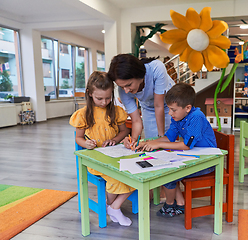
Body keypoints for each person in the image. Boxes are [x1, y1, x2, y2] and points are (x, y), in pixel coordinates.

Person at [135, 83, 217, 217]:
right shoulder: (179, 117)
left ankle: (170, 205)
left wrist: (158, 145)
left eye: (173, 109)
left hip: (207, 162)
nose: (169, 113)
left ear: (187, 108)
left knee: (168, 175)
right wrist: (149, 142)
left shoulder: (196, 117)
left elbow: (186, 145)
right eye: (169, 109)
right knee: (166, 168)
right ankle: (179, 204)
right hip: (193, 157)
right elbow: (169, 137)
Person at [69, 71, 134, 226]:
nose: (104, 102)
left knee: (134, 173)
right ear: (89, 94)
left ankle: (112, 206)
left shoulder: (116, 111)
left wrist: (115, 139)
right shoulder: (83, 114)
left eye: (108, 97)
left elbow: (125, 131)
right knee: (115, 177)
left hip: (115, 156)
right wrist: (86, 144)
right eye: (99, 98)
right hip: (96, 160)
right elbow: (79, 138)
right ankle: (114, 208)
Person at [108, 54, 175, 147]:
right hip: (148, 107)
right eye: (121, 86)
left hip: (170, 104)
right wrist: (133, 140)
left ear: (139, 76)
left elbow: (158, 105)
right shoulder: (123, 91)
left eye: (129, 85)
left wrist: (160, 137)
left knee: (168, 141)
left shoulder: (156, 68)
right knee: (150, 142)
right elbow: (136, 120)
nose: (126, 90)